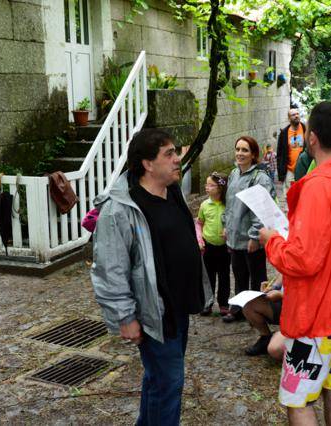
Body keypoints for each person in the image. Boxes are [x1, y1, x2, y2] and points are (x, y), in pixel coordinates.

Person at [259, 102, 331, 425]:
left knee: (297, 399)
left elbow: (303, 258)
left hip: (317, 312)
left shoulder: (318, 186)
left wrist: (272, 239)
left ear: (311, 138)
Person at [91, 129, 212, 426]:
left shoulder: (171, 191)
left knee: (159, 380)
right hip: (153, 312)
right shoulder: (120, 209)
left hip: (178, 307)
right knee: (169, 383)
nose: (177, 160)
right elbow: (110, 269)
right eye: (169, 154)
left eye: (176, 152)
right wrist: (125, 317)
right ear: (147, 163)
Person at [222, 136, 276, 323]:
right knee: (238, 273)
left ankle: (258, 310)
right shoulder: (233, 174)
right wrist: (225, 225)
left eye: (245, 150)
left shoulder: (259, 178)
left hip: (252, 238)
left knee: (257, 276)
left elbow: (261, 211)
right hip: (235, 236)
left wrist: (254, 236)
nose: (240, 153)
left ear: (253, 155)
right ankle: (238, 308)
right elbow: (229, 204)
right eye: (238, 149)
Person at [197, 172, 231, 316]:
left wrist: (228, 230)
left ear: (221, 188)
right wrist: (200, 239)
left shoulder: (228, 205)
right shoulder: (205, 205)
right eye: (206, 184)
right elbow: (199, 224)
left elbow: (233, 221)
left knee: (224, 276)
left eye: (211, 185)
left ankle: (223, 303)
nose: (207, 188)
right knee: (208, 277)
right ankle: (207, 303)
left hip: (225, 248)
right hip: (208, 246)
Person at [242, 277, 284, 356]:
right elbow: (283, 272)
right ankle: (265, 338)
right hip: (284, 304)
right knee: (249, 304)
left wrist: (282, 295)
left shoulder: (311, 267)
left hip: (303, 314)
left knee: (275, 349)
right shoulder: (291, 264)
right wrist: (273, 287)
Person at [276, 108, 306, 201]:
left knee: (303, 192)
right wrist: (280, 173)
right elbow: (280, 153)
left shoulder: (305, 129)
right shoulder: (284, 133)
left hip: (304, 167)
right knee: (289, 194)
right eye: (293, 115)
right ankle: (291, 214)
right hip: (290, 169)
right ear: (289, 118)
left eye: (297, 114)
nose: (296, 116)